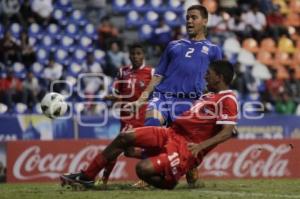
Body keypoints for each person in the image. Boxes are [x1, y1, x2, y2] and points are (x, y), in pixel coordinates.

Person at [60, 60, 238, 190]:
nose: (205, 75)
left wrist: (200, 147)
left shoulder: (228, 99)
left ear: (219, 77)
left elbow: (228, 132)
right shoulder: (207, 95)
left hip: (184, 149)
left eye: (209, 73)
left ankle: (170, 180)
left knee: (142, 169)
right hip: (170, 133)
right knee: (125, 137)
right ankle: (87, 177)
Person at [125, 5, 222, 186]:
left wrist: (214, 104)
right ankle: (147, 177)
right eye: (187, 18)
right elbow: (158, 75)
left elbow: (217, 80)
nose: (189, 21)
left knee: (180, 144)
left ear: (205, 21)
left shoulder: (213, 50)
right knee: (151, 128)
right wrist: (141, 99)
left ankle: (188, 165)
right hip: (163, 97)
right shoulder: (173, 46)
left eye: (194, 17)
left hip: (190, 102)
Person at [100, 43, 153, 186]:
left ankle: (103, 180)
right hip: (126, 118)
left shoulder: (151, 73)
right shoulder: (123, 72)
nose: (136, 57)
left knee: (115, 149)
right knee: (129, 152)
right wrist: (110, 97)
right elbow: (117, 93)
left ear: (143, 56)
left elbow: (157, 93)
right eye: (133, 54)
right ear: (128, 55)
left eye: (139, 54)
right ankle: (155, 163)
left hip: (142, 118)